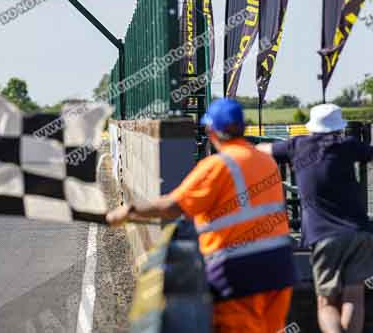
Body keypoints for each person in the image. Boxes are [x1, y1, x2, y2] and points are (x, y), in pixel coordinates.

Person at [107, 98, 296, 333]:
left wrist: (129, 211)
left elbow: (174, 206)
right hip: (279, 268)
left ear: (211, 131)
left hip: (238, 272)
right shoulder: (266, 161)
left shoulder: (216, 166)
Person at [257, 104, 373, 333]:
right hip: (359, 232)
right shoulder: (347, 145)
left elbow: (263, 149)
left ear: (312, 127)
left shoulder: (297, 145)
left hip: (323, 235)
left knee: (326, 303)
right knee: (354, 298)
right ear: (339, 128)